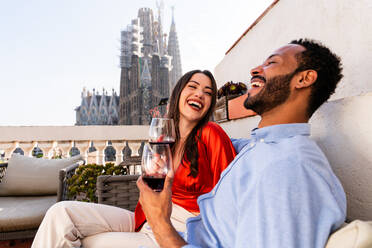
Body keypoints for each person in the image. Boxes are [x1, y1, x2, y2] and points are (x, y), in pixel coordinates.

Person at [137, 38, 347, 248]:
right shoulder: (264, 145)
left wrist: (160, 224)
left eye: (271, 63)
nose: (255, 70)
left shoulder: (286, 168)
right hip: (189, 232)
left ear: (304, 78)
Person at [31, 70, 236, 248]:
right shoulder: (166, 139)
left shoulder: (212, 133)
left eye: (208, 92)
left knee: (86, 242)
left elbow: (233, 193)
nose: (200, 94)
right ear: (179, 93)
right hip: (144, 216)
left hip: (181, 226)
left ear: (209, 104)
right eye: (193, 86)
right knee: (61, 214)